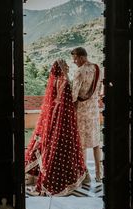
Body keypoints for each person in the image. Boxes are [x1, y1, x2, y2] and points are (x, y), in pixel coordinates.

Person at [25, 59, 86, 196]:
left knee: (50, 143)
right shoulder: (65, 82)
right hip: (61, 115)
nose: (68, 66)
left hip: (53, 113)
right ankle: (55, 178)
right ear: (61, 69)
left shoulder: (55, 81)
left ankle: (35, 174)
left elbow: (53, 100)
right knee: (59, 143)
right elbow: (68, 100)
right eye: (65, 66)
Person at [71, 47, 102, 183]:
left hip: (82, 113)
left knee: (82, 145)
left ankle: (85, 175)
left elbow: (73, 95)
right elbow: (99, 89)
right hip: (94, 111)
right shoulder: (97, 68)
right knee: (96, 144)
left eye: (75, 58)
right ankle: (99, 174)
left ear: (82, 57)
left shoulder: (80, 71)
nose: (74, 62)